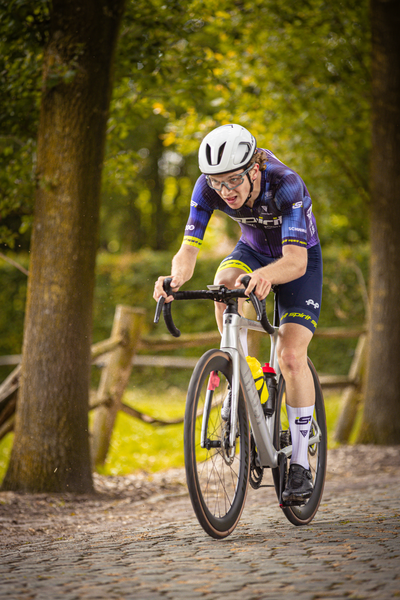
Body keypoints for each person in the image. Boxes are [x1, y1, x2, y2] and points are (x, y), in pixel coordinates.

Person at [153, 124, 323, 505]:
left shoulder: (286, 184)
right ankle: (242, 372)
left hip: (298, 260)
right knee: (223, 284)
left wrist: (266, 276)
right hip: (252, 251)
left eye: (233, 181)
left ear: (254, 168)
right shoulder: (206, 187)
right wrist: (175, 278)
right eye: (217, 183)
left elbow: (294, 261)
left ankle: (299, 463)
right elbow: (189, 250)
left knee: (291, 356)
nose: (225, 191)